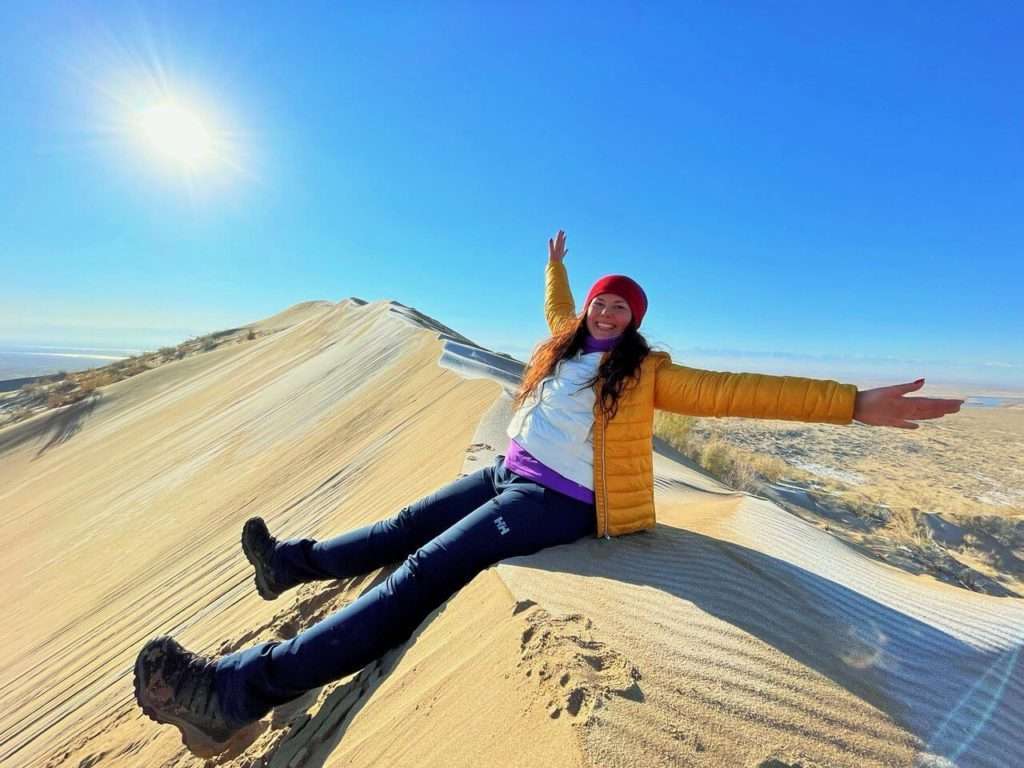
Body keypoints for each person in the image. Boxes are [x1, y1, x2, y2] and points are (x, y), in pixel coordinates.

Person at [133, 229, 963, 756]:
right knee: (400, 525)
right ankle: (289, 565)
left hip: (561, 502)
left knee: (421, 571)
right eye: (600, 301)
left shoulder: (645, 372)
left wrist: (852, 405)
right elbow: (559, 306)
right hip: (512, 471)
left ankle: (236, 690)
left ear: (634, 323)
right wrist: (558, 268)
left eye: (619, 307)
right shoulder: (565, 344)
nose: (604, 312)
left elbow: (740, 390)